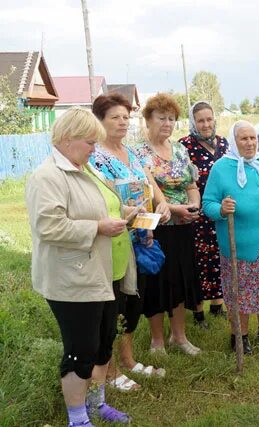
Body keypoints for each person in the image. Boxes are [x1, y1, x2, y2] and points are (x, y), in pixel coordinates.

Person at [26, 108, 136, 425]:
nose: (93, 149)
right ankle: (77, 417)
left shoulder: (85, 168)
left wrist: (127, 212)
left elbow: (100, 205)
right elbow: (48, 227)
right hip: (71, 279)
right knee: (80, 351)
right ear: (67, 138)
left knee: (102, 343)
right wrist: (98, 228)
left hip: (102, 273)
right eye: (89, 142)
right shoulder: (47, 176)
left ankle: (96, 403)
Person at [89, 92, 171, 390]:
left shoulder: (132, 152)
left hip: (143, 237)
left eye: (126, 116)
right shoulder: (95, 157)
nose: (123, 122)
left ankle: (128, 360)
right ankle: (109, 372)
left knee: (134, 304)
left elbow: (150, 184)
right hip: (115, 241)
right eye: (115, 117)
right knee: (114, 308)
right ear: (99, 121)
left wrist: (161, 204)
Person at [202, 120, 259, 354]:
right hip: (242, 243)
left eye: (253, 138)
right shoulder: (221, 168)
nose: (250, 143)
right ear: (234, 142)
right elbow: (207, 204)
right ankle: (239, 336)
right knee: (241, 291)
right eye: (244, 138)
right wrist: (222, 209)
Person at [134, 93, 201, 356]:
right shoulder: (139, 153)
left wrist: (194, 206)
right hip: (156, 227)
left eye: (172, 119)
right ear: (148, 120)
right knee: (157, 283)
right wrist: (176, 209)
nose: (168, 123)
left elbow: (191, 185)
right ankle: (157, 341)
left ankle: (180, 337)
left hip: (183, 226)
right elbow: (147, 191)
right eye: (162, 118)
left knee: (181, 281)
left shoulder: (181, 150)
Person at [178, 101, 229, 329]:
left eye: (209, 119)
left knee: (220, 257)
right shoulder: (184, 146)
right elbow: (180, 181)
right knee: (199, 262)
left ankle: (218, 305)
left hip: (219, 212)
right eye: (201, 120)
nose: (206, 124)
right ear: (193, 123)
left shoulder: (224, 143)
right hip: (197, 214)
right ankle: (198, 314)